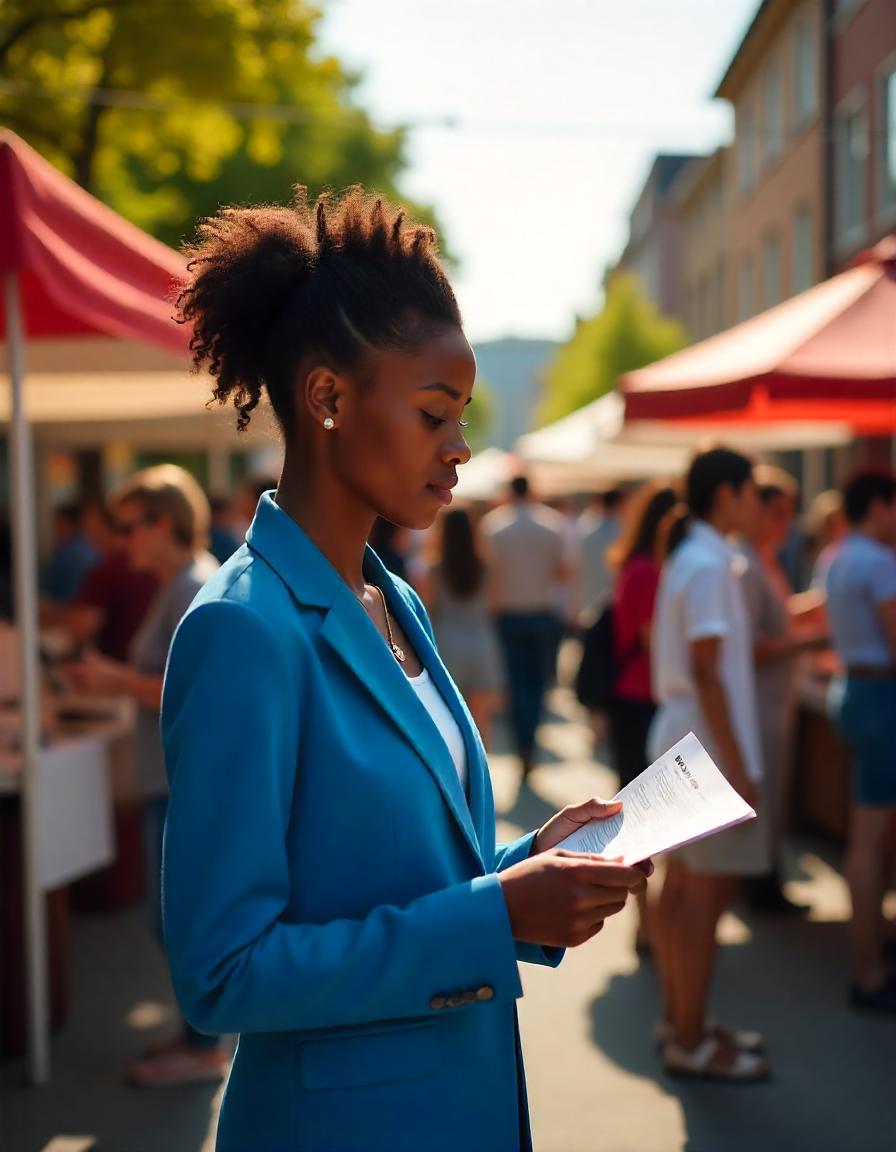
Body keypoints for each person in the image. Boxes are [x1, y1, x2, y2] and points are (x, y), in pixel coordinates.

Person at [163, 188, 650, 1152]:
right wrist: (493, 913)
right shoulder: (242, 632)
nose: (461, 446)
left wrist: (526, 868)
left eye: (461, 414)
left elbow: (408, 880)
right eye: (435, 414)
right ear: (329, 398)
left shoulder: (395, 600)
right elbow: (223, 972)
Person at [63, 465, 224, 1086]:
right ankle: (198, 1033)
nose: (122, 541)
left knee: (175, 917)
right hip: (171, 777)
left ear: (164, 524)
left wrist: (112, 681)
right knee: (172, 916)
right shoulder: (178, 581)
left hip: (181, 781)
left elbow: (194, 693)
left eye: (130, 527)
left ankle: (205, 1043)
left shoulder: (190, 584)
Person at [650, 447, 770, 1082]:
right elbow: (706, 670)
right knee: (702, 900)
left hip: (688, 746)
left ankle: (683, 1022)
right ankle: (690, 1037)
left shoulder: (695, 556)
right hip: (707, 756)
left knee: (684, 896)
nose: (758, 503)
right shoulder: (707, 562)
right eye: (752, 490)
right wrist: (739, 769)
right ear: (727, 494)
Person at [738, 466, 827, 913]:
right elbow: (751, 645)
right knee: (764, 797)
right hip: (760, 704)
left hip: (774, 701)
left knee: (772, 796)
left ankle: (763, 881)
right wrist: (811, 639)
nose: (785, 522)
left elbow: (775, 621)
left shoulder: (762, 561)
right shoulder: (747, 565)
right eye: (777, 511)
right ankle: (760, 887)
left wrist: (806, 613)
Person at [825, 468, 896, 1012]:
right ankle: (868, 968)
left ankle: (870, 955)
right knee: (871, 836)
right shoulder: (877, 560)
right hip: (879, 695)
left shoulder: (840, 555)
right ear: (878, 507)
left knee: (869, 833)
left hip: (856, 689)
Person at [605, 482, 678, 953]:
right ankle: (649, 925)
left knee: (642, 819)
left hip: (630, 698)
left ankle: (646, 923)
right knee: (650, 821)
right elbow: (656, 643)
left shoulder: (634, 566)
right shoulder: (650, 571)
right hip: (643, 700)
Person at [482, 475, 568, 778]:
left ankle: (522, 743)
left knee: (515, 682)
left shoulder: (494, 526)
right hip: (541, 613)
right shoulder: (552, 524)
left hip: (508, 615)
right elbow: (562, 571)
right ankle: (529, 740)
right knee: (538, 682)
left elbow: (489, 576)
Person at [421, 507, 503, 748]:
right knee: (481, 716)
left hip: (447, 641)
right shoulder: (487, 566)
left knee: (450, 714)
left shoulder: (435, 569)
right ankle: (481, 769)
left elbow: (429, 607)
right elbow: (495, 605)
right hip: (480, 639)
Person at [62, 497, 158, 661]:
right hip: (146, 671)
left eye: (90, 523)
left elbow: (81, 628)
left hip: (118, 672)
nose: (86, 531)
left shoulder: (109, 569)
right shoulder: (154, 565)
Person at [575, 487, 625, 624]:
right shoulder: (624, 535)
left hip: (589, 609)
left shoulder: (586, 534)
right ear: (620, 504)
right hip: (615, 610)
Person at [40, 501, 100, 608]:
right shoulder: (90, 549)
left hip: (67, 613)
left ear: (67, 523)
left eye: (57, 522)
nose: (54, 528)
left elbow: (45, 586)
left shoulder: (67, 553)